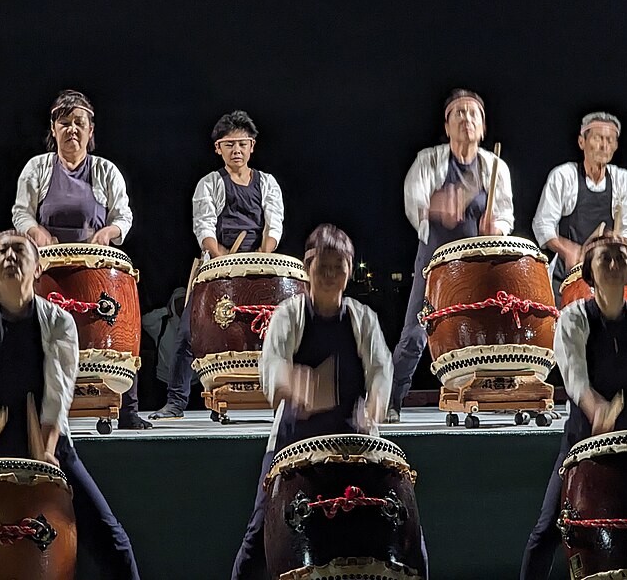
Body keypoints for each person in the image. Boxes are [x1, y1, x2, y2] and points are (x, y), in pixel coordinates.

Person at [0, 230, 141, 579]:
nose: (10, 257)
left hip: (50, 446)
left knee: (114, 542)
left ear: (39, 267)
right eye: (1, 251)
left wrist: (47, 447)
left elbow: (58, 391)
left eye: (20, 250)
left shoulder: (59, 321)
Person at [232, 224, 426, 579]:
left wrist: (374, 405)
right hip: (293, 449)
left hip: (354, 446)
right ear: (308, 267)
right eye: (323, 267)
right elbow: (270, 366)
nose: (330, 275)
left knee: (407, 530)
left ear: (350, 270)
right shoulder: (290, 315)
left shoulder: (361, 318)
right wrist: (292, 383)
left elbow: (381, 371)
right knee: (261, 532)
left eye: (338, 267)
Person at [519, 231, 627, 580]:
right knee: (547, 532)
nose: (615, 263)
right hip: (580, 446)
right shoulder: (574, 319)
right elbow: (574, 376)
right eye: (606, 257)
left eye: (621, 257)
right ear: (589, 272)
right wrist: (596, 408)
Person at [11, 90, 149, 429]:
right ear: (54, 129)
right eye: (65, 123)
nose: (72, 129)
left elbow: (123, 215)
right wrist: (36, 231)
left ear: (90, 130)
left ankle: (127, 408)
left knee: (122, 323)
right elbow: (21, 212)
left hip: (96, 268)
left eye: (79, 123)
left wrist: (109, 232)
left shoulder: (105, 171)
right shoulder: (38, 168)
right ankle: (22, 407)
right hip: (50, 267)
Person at [387, 88, 514, 422]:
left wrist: (496, 228)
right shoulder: (428, 160)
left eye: (473, 113)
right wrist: (435, 206)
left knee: (486, 333)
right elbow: (412, 199)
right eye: (458, 113)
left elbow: (505, 215)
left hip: (478, 265)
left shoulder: (494, 165)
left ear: (483, 127)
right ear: (446, 126)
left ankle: (492, 401)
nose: (466, 119)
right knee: (414, 337)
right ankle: (391, 402)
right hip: (436, 263)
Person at [150, 110, 284, 419]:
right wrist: (222, 260)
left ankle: (279, 398)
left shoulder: (267, 183)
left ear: (252, 146)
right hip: (216, 269)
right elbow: (205, 228)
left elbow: (273, 225)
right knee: (188, 333)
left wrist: (261, 258)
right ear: (218, 149)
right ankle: (176, 402)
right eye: (229, 144)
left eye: (242, 144)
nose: (236, 151)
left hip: (258, 267)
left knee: (272, 333)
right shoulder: (209, 183)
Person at [532, 112, 627, 306]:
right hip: (566, 277)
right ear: (582, 142)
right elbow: (542, 224)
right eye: (598, 138)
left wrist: (618, 241)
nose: (604, 145)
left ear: (615, 146)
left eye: (610, 140)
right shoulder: (564, 176)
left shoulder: (625, 181)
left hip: (608, 276)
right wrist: (568, 250)